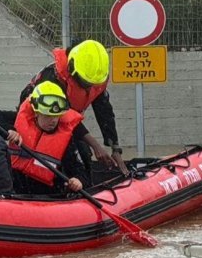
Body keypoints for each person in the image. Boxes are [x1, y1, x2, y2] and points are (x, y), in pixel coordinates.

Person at [20, 39, 128, 175]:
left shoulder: (94, 78)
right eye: (85, 82)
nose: (89, 86)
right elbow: (65, 115)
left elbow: (104, 112)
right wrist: (95, 145)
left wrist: (115, 148)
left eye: (92, 83)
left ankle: (82, 183)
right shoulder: (54, 78)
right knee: (73, 153)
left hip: (66, 121)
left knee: (83, 153)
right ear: (72, 68)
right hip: (42, 120)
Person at [0, 81, 90, 195]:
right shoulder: (18, 121)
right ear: (36, 112)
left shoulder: (66, 141)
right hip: (14, 188)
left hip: (45, 195)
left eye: (56, 116)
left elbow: (79, 169)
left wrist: (79, 180)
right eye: (47, 116)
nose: (53, 121)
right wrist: (9, 130)